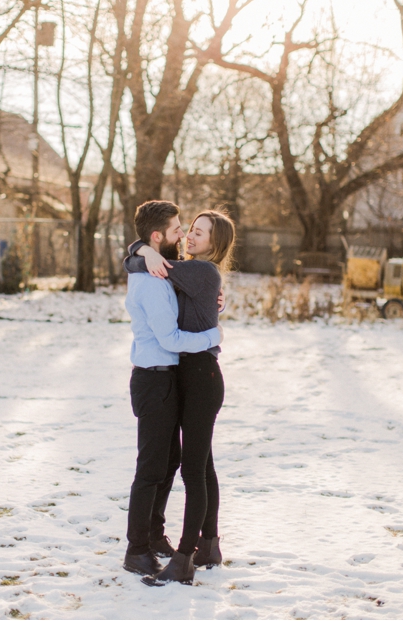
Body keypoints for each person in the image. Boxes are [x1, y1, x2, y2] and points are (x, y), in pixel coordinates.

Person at [124, 209, 235, 586]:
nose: (188, 235)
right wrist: (143, 250)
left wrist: (143, 252)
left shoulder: (199, 272)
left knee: (193, 470)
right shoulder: (180, 270)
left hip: (200, 376)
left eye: (197, 232)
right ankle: (208, 544)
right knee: (200, 467)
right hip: (182, 376)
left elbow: (144, 263)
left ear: (214, 243)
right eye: (186, 229)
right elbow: (143, 263)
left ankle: (188, 555)